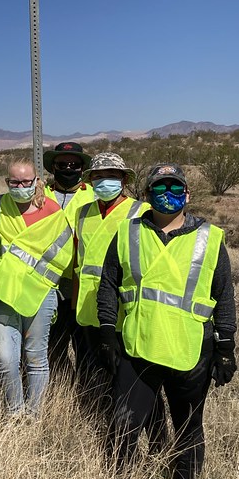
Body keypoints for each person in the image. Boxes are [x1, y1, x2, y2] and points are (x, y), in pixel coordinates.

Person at [97, 163, 237, 479]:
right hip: (137, 347)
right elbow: (108, 286)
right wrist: (106, 333)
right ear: (146, 196)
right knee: (124, 428)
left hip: (189, 352)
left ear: (187, 194)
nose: (168, 196)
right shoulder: (128, 233)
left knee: (188, 429)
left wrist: (226, 345)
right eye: (160, 189)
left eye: (176, 189)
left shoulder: (210, 238)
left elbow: (224, 295)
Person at [0, 159, 72, 417]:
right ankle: (14, 412)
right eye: (14, 182)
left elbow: (63, 257)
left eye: (26, 181)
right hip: (6, 292)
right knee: (6, 358)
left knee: (36, 357)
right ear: (7, 182)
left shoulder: (53, 212)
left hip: (40, 294)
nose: (20, 186)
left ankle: (33, 416)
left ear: (36, 181)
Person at [73, 152, 148, 399]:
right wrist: (75, 302)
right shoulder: (82, 213)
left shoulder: (141, 211)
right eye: (99, 177)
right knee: (91, 370)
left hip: (123, 308)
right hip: (86, 308)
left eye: (112, 176)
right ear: (91, 181)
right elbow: (79, 260)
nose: (105, 182)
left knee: (124, 377)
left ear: (124, 180)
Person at [42, 142, 93, 374]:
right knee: (53, 343)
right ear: (53, 166)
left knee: (85, 346)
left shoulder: (94, 196)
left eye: (74, 164)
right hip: (47, 284)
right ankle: (60, 388)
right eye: (62, 164)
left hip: (82, 285)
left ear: (82, 168)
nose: (68, 168)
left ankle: (86, 392)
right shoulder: (40, 195)